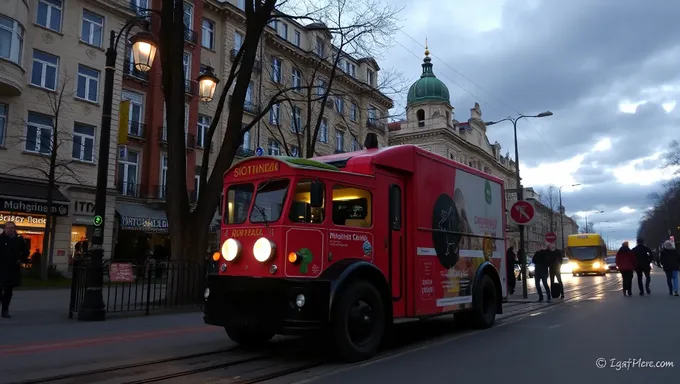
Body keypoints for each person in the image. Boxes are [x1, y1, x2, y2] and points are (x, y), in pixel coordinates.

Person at [0, 221, 30, 318]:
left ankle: (5, 309)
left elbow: (25, 251)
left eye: (12, 228)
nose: (10, 230)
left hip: (13, 268)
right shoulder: (0, 238)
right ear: (4, 229)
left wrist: (21, 259)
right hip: (1, 267)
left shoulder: (19, 239)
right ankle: (3, 304)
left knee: (8, 290)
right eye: (8, 228)